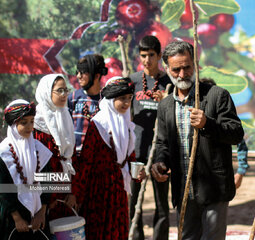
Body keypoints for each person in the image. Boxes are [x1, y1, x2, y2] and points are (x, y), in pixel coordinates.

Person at [151, 41, 244, 239]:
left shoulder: (217, 96)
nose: (182, 75)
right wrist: (160, 162)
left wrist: (207, 124)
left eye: (187, 67)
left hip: (214, 188)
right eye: (176, 70)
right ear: (166, 69)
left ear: (196, 65)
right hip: (183, 190)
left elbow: (236, 133)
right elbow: (162, 143)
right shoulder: (166, 105)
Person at [71, 77, 145, 240]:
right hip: (99, 191)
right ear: (111, 99)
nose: (126, 103)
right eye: (122, 98)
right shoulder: (98, 125)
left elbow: (129, 156)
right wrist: (78, 194)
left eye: (129, 98)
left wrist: (137, 173)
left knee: (118, 231)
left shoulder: (127, 125)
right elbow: (86, 162)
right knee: (99, 231)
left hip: (118, 190)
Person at [129, 35, 172, 240]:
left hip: (160, 153)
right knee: (133, 200)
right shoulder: (132, 81)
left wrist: (167, 101)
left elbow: (175, 115)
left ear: (160, 56)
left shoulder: (169, 83)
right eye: (143, 56)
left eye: (151, 55)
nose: (147, 60)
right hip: (137, 151)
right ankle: (135, 236)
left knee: (161, 202)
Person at [0, 100, 52, 240]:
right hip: (14, 220)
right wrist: (17, 218)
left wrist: (41, 212)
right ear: (13, 124)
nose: (30, 127)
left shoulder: (40, 150)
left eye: (32, 121)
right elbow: (4, 189)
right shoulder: (3, 153)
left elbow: (47, 182)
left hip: (39, 216)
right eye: (24, 122)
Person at [33, 74, 76, 220]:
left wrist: (72, 191)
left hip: (65, 192)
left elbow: (72, 157)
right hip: (44, 196)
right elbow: (37, 165)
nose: (64, 95)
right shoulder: (35, 124)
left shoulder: (65, 117)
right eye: (59, 90)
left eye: (66, 90)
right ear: (46, 92)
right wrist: (48, 199)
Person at [200, 78, 249, 190]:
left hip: (218, 177)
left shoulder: (225, 120)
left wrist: (241, 172)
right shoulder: (194, 116)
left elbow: (240, 142)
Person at [68, 53, 108, 156]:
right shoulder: (72, 98)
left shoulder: (107, 101)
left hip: (98, 159)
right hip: (75, 157)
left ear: (96, 76)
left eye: (83, 72)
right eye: (77, 72)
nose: (78, 76)